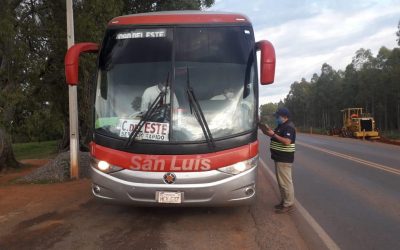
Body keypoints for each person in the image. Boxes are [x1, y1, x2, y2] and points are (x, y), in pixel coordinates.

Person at [259, 107, 296, 214]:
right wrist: (265, 130)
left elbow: (287, 142)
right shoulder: (281, 125)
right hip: (278, 157)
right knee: (281, 182)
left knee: (285, 182)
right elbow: (273, 135)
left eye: (277, 116)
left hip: (284, 158)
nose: (276, 118)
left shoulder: (289, 127)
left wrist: (274, 134)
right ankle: (284, 201)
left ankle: (288, 204)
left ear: (284, 117)